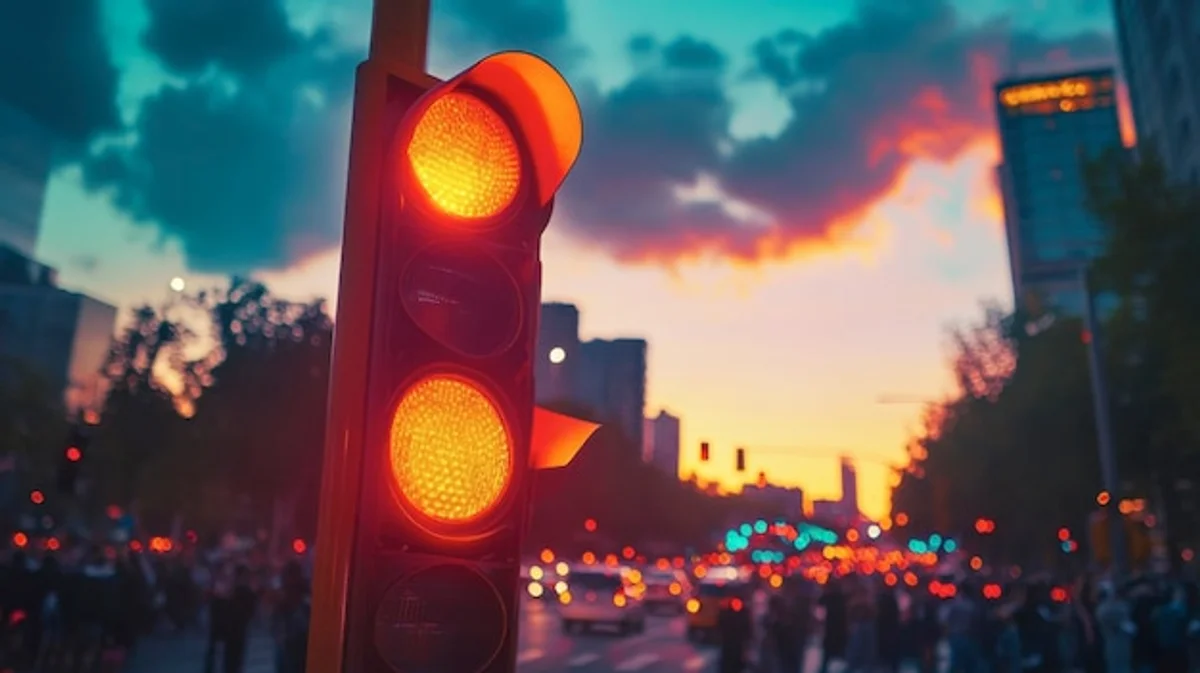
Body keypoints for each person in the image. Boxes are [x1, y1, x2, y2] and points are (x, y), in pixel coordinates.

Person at [1096, 580, 1134, 673]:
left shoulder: (1121, 606)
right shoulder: (1103, 609)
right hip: (1112, 644)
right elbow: (1102, 615)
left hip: (1123, 644)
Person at [818, 579, 848, 673]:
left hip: (832, 634)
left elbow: (820, 603)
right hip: (839, 634)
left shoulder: (830, 599)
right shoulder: (842, 599)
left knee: (827, 661)